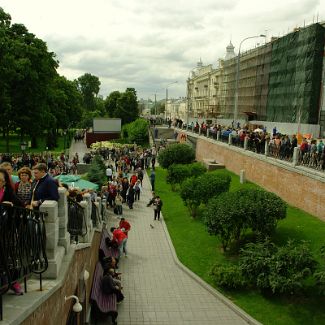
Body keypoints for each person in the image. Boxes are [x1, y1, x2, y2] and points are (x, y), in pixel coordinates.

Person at [0, 168, 24, 295]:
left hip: (5, 230)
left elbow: (21, 206)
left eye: (0, 180)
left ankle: (12, 282)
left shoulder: (8, 191)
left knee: (7, 256)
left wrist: (10, 206)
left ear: (4, 182)